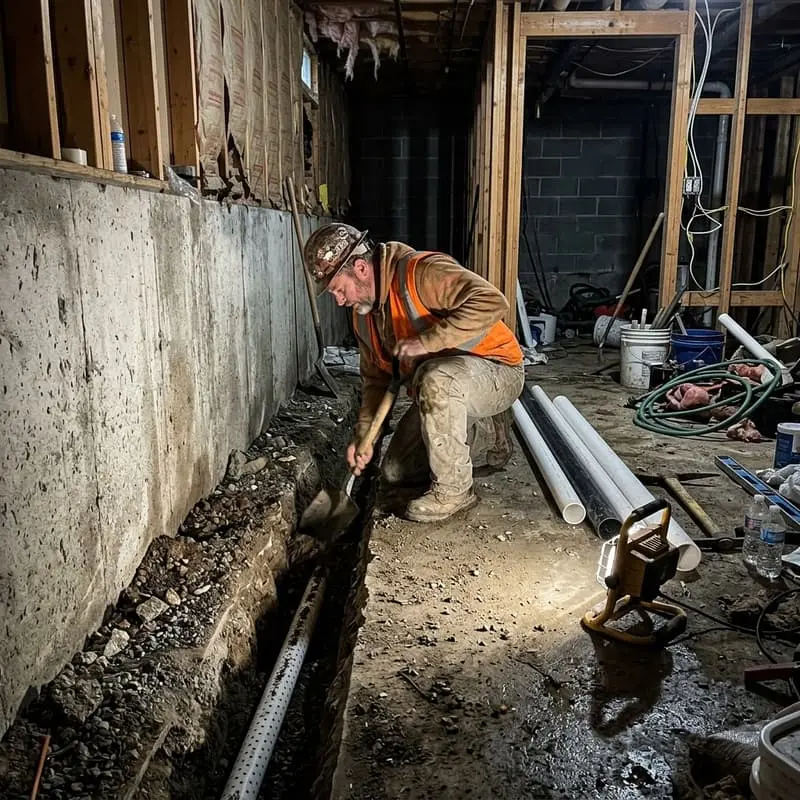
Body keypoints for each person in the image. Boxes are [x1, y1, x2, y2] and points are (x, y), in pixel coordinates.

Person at [303, 223, 525, 523]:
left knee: (435, 378)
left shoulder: (421, 273)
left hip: (497, 371)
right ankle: (472, 425)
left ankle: (455, 489)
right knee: (394, 471)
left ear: (360, 269)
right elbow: (375, 383)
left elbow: (493, 301)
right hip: (445, 388)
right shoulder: (364, 320)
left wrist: (427, 341)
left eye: (339, 289)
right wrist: (364, 436)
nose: (340, 301)